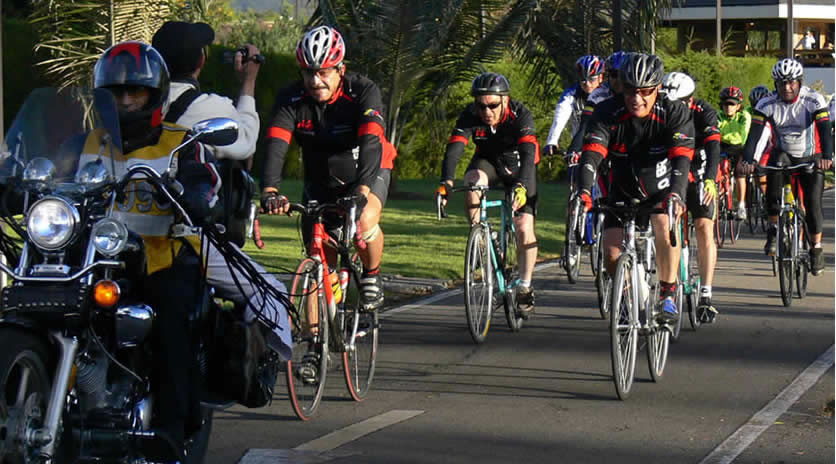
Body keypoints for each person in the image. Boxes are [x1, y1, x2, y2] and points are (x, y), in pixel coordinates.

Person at [91, 41, 221, 457]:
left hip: (160, 259)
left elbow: (205, 181)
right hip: (95, 261)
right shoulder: (89, 143)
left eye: (136, 92)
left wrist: (193, 193)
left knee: (169, 324)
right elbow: (51, 174)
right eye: (117, 93)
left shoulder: (180, 142)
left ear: (156, 95)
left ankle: (169, 434)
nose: (127, 101)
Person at [152, 21, 292, 361]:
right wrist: (248, 82)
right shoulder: (205, 106)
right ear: (201, 60)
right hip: (179, 233)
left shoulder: (133, 103)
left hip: (120, 232)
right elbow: (245, 141)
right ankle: (242, 368)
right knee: (271, 291)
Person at [261, 25, 396, 312]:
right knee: (319, 262)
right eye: (308, 72)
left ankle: (371, 275)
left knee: (363, 220)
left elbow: (371, 141)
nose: (315, 81)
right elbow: (276, 144)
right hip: (321, 176)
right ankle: (314, 337)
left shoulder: (362, 91)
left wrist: (362, 190)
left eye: (323, 72)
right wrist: (270, 189)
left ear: (340, 70)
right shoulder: (291, 99)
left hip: (367, 167)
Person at [577, 53, 695, 325]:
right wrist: (583, 191)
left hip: (661, 187)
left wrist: (676, 194)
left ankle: (667, 292)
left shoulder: (673, 112)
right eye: (630, 90)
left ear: (658, 89)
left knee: (664, 224)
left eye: (645, 92)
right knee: (611, 254)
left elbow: (682, 157)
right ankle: (627, 294)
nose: (636, 98)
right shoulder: (607, 111)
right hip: (622, 187)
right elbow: (592, 154)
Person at [437, 72, 539, 313]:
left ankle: (525, 286)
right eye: (481, 106)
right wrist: (446, 182)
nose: (486, 112)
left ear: (505, 100)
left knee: (523, 226)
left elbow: (528, 153)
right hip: (488, 162)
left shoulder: (520, 114)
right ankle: (481, 240)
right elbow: (455, 148)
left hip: (519, 167)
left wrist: (522, 186)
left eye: (492, 105)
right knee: (472, 181)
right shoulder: (470, 114)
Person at [740, 58, 833, 275]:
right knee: (773, 184)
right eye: (782, 83)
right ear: (775, 84)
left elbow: (825, 130)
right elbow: (754, 136)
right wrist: (748, 160)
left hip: (810, 157)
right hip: (783, 155)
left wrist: (827, 156)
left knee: (812, 203)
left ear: (800, 82)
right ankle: (774, 228)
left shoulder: (813, 100)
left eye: (791, 82)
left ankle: (816, 248)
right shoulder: (767, 104)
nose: (787, 88)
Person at [662, 72, 722, 323]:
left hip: (699, 170)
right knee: (667, 224)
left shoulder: (704, 112)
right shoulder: (661, 110)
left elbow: (714, 148)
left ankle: (706, 295)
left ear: (689, 100)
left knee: (704, 226)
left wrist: (710, 179)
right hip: (673, 169)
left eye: (678, 103)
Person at [542, 55, 605, 157]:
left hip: (604, 145)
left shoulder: (607, 94)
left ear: (600, 77)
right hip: (579, 147)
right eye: (583, 80)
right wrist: (552, 141)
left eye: (592, 79)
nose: (587, 84)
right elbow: (560, 116)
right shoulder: (571, 94)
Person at [717, 86, 751, 220]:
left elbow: (744, 132)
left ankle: (741, 205)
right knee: (717, 170)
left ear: (738, 106)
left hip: (739, 146)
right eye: (725, 104)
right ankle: (720, 197)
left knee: (739, 172)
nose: (728, 107)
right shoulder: (718, 116)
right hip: (722, 146)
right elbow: (715, 129)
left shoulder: (743, 116)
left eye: (732, 104)